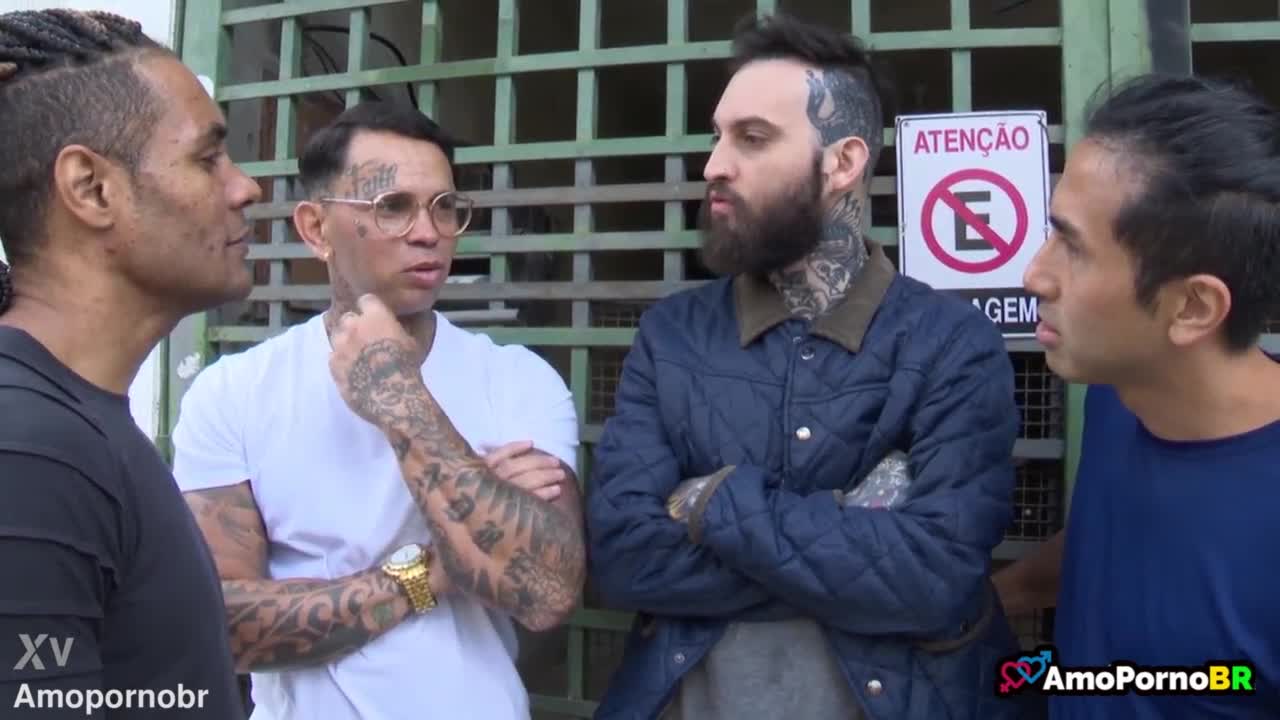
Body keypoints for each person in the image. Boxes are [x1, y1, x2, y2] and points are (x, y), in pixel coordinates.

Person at [586, 13, 1030, 720]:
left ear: (843, 163)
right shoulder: (673, 337)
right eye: (716, 135)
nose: (714, 165)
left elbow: (935, 578)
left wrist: (712, 503)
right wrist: (859, 530)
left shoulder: (952, 345)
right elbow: (624, 557)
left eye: (752, 138)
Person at [170, 100, 587, 720]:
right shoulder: (235, 391)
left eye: (445, 207)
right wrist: (432, 571)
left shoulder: (516, 379)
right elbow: (219, 624)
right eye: (392, 207)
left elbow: (547, 592)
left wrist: (398, 397)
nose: (429, 232)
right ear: (316, 229)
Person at [0, 8, 261, 718]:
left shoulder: (74, 425)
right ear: (91, 189)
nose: (245, 187)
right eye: (208, 158)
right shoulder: (29, 449)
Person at [994, 73, 1280, 717]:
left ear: (1193, 307)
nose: (1034, 274)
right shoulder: (1120, 394)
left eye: (1073, 246)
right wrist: (991, 602)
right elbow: (1113, 543)